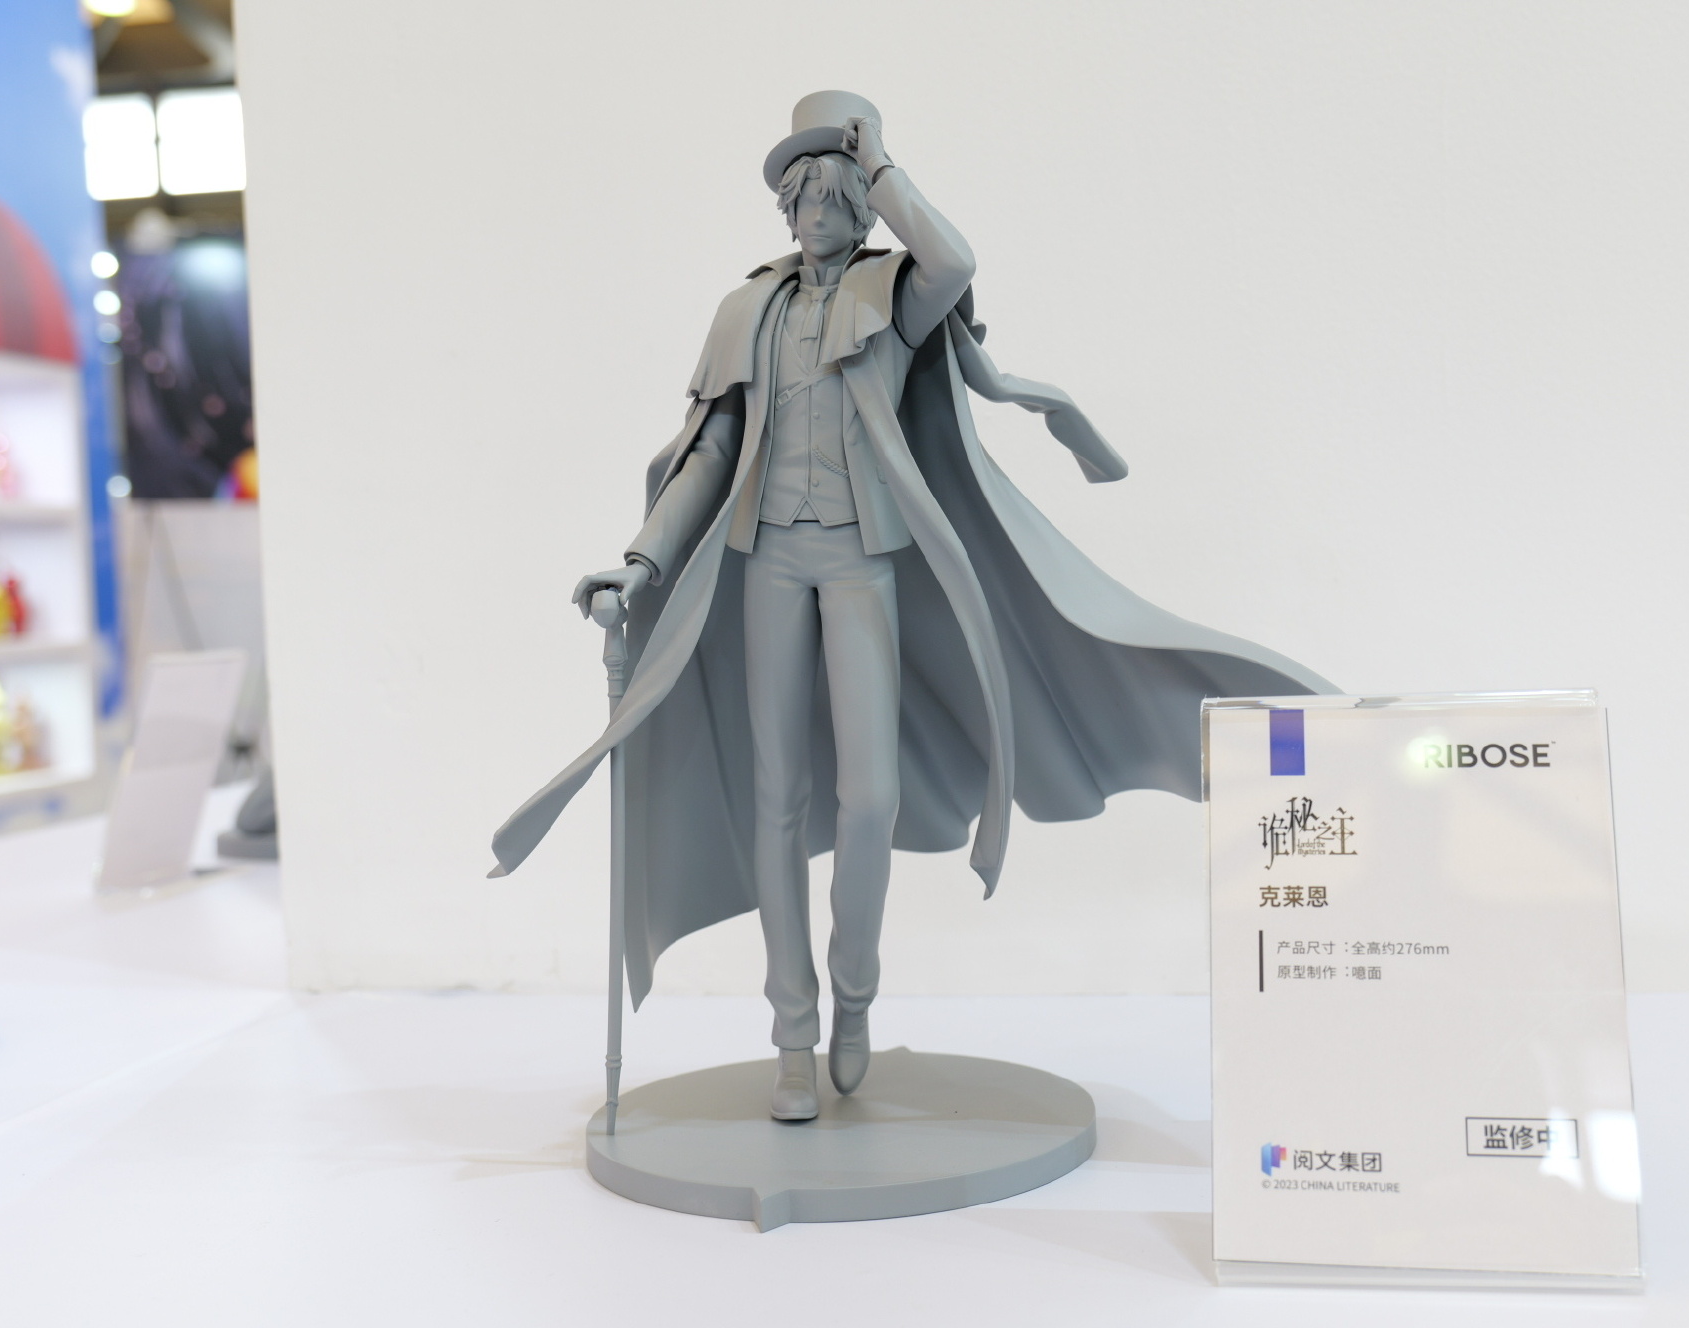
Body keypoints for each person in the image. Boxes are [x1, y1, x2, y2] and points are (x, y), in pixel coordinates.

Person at [491, 92, 1333, 1121]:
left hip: (863, 562)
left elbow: (954, 260)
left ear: (860, 204)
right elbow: (709, 453)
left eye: (835, 194)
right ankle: (791, 1034)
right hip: (767, 562)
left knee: (871, 797)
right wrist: (640, 561)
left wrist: (883, 164)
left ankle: (854, 996)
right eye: (803, 196)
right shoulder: (746, 311)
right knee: (774, 797)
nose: (816, 211)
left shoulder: (893, 292)